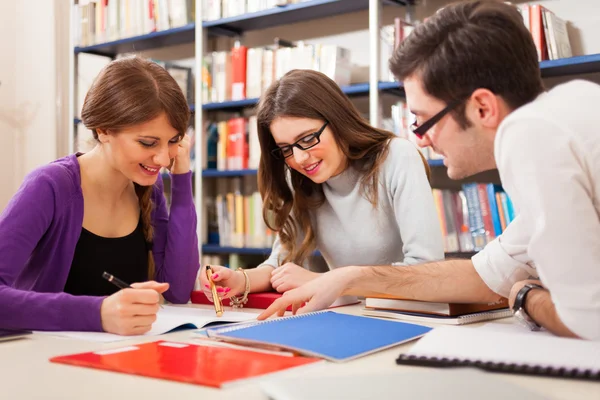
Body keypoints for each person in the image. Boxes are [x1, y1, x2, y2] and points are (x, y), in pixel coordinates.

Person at [257, 0, 600, 341]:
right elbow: (484, 275)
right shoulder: (569, 109)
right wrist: (347, 278)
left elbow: (585, 321)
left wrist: (526, 297)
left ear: (482, 108)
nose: (421, 141)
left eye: (424, 121)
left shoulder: (531, 137)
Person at [198, 69, 444, 305]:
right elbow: (281, 263)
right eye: (286, 149)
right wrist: (240, 280)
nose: (300, 159)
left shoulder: (396, 157)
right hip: (350, 314)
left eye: (307, 139)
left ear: (337, 120)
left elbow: (425, 268)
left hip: (409, 315)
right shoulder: (301, 177)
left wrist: (324, 281)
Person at [0, 57, 199, 335]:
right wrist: (98, 313)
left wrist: (181, 182)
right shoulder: (50, 186)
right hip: (45, 364)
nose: (164, 157)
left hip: (119, 360)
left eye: (174, 140)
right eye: (148, 142)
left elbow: (178, 290)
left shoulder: (148, 189)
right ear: (104, 130)